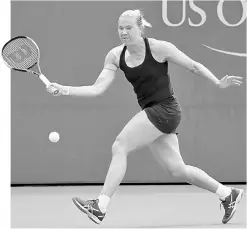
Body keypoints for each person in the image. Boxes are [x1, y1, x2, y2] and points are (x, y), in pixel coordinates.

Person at [47, 9, 244, 225]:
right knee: (177, 169)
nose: (123, 32)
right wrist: (64, 89)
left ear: (141, 28)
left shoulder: (159, 48)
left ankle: (100, 206)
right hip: (154, 112)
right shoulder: (115, 56)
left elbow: (193, 66)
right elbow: (97, 89)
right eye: (120, 28)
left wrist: (217, 82)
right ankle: (227, 194)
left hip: (166, 109)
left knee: (120, 146)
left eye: (129, 27)